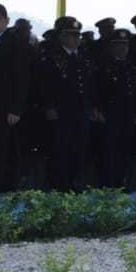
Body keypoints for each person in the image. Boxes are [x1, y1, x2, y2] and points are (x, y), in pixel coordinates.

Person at [37, 17, 96, 191]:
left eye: (78, 35)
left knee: (79, 148)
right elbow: (43, 86)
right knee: (60, 149)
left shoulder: (83, 58)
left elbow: (90, 86)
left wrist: (92, 107)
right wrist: (49, 107)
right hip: (61, 111)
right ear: (61, 36)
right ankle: (59, 185)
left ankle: (75, 183)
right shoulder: (51, 58)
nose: (76, 39)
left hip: (81, 111)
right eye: (71, 35)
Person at [91, 29, 136, 189]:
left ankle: (121, 182)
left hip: (127, 115)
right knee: (108, 151)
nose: (123, 49)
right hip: (109, 115)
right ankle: (108, 184)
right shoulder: (103, 67)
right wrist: (97, 109)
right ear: (111, 47)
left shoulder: (131, 67)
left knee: (124, 151)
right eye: (118, 45)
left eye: (125, 45)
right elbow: (95, 90)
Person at [0, 3, 29, 194]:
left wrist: (16, 108)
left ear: (6, 21)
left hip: (3, 108)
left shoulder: (15, 43)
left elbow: (21, 78)